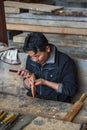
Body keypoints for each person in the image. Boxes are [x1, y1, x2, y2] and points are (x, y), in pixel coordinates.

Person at [17, 32, 78, 103]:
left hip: (57, 103)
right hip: (35, 100)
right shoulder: (31, 58)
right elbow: (27, 86)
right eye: (32, 57)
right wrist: (28, 80)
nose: (35, 60)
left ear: (47, 49)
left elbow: (70, 90)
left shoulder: (65, 62)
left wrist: (44, 82)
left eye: (37, 56)